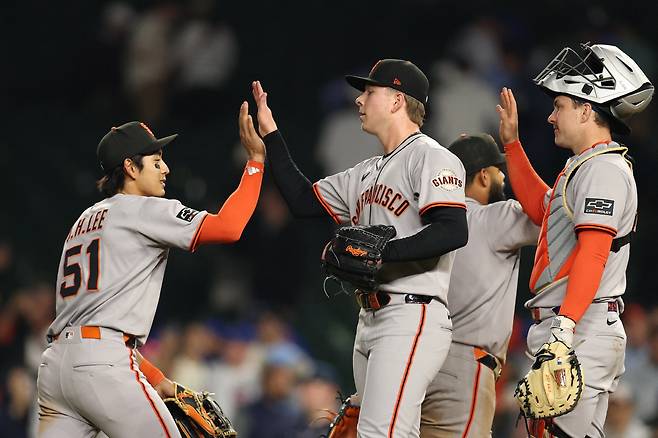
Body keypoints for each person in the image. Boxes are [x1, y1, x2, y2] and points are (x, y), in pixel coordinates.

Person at [250, 58, 469, 437]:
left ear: (398, 100)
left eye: (369, 91)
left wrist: (384, 255)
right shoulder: (364, 171)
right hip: (369, 318)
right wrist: (271, 136)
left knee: (380, 433)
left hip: (410, 313)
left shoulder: (432, 156)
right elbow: (304, 202)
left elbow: (451, 230)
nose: (359, 100)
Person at [37, 104, 266, 438]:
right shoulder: (142, 209)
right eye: (156, 162)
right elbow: (229, 227)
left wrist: (158, 380)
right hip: (102, 367)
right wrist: (255, 163)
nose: (166, 170)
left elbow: (94, 326)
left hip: (55, 368)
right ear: (130, 167)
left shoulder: (82, 222)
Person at [496, 43, 654, 437]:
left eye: (560, 105)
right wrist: (513, 145)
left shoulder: (604, 170)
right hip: (576, 325)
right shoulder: (584, 166)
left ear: (587, 110)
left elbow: (594, 253)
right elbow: (540, 209)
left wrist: (563, 330)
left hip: (581, 327)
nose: (551, 116)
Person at [419, 133, 539, 437]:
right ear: (484, 176)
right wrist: (514, 144)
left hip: (417, 357)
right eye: (499, 172)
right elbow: (554, 212)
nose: (504, 180)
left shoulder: (424, 223)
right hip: (463, 367)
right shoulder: (494, 217)